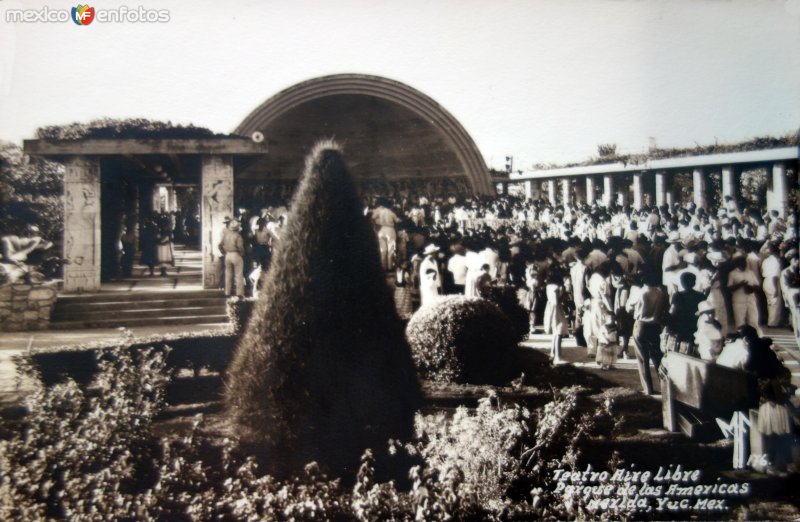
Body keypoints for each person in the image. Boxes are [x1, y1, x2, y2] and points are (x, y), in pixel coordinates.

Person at [628, 270, 669, 395]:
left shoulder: (641, 293)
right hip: (655, 326)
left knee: (643, 359)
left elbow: (629, 308)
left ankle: (648, 389)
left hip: (641, 325)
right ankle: (665, 386)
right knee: (657, 357)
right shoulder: (661, 293)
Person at [667, 272, 705, 356]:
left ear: (681, 282)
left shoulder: (677, 295)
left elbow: (672, 311)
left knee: (677, 344)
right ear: (694, 282)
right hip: (694, 324)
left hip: (680, 324)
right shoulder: (701, 296)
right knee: (691, 343)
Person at [727, 255, 762, 334]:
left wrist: (750, 288)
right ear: (737, 264)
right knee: (740, 322)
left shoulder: (750, 273)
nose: (744, 264)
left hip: (751, 299)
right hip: (738, 301)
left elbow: (757, 286)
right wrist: (740, 285)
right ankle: (741, 338)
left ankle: (756, 337)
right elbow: (729, 288)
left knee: (754, 320)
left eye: (745, 262)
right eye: (741, 262)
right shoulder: (732, 274)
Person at [543, 270, 569, 365]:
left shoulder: (548, 286)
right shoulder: (556, 288)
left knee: (555, 332)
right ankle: (557, 356)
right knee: (558, 331)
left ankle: (553, 352)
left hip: (550, 308)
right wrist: (564, 295)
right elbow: (557, 301)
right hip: (556, 309)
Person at [372, 198, 401, 271]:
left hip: (382, 230)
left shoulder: (380, 211)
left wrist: (377, 223)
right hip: (390, 230)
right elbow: (397, 221)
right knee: (390, 250)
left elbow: (373, 217)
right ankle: (390, 267)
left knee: (383, 251)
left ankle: (383, 267)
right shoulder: (391, 212)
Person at [219, 219, 245, 298]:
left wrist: (223, 252)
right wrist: (242, 254)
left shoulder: (226, 235)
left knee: (228, 274)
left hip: (228, 255)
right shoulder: (238, 236)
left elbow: (220, 245)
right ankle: (239, 293)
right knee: (238, 275)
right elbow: (240, 247)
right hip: (236, 254)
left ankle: (227, 292)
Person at [760, 242, 784, 327]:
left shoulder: (766, 260)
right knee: (775, 303)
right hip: (772, 282)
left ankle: (771, 321)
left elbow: (762, 271)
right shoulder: (776, 261)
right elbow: (774, 276)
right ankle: (773, 323)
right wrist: (775, 289)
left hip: (766, 281)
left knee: (770, 303)